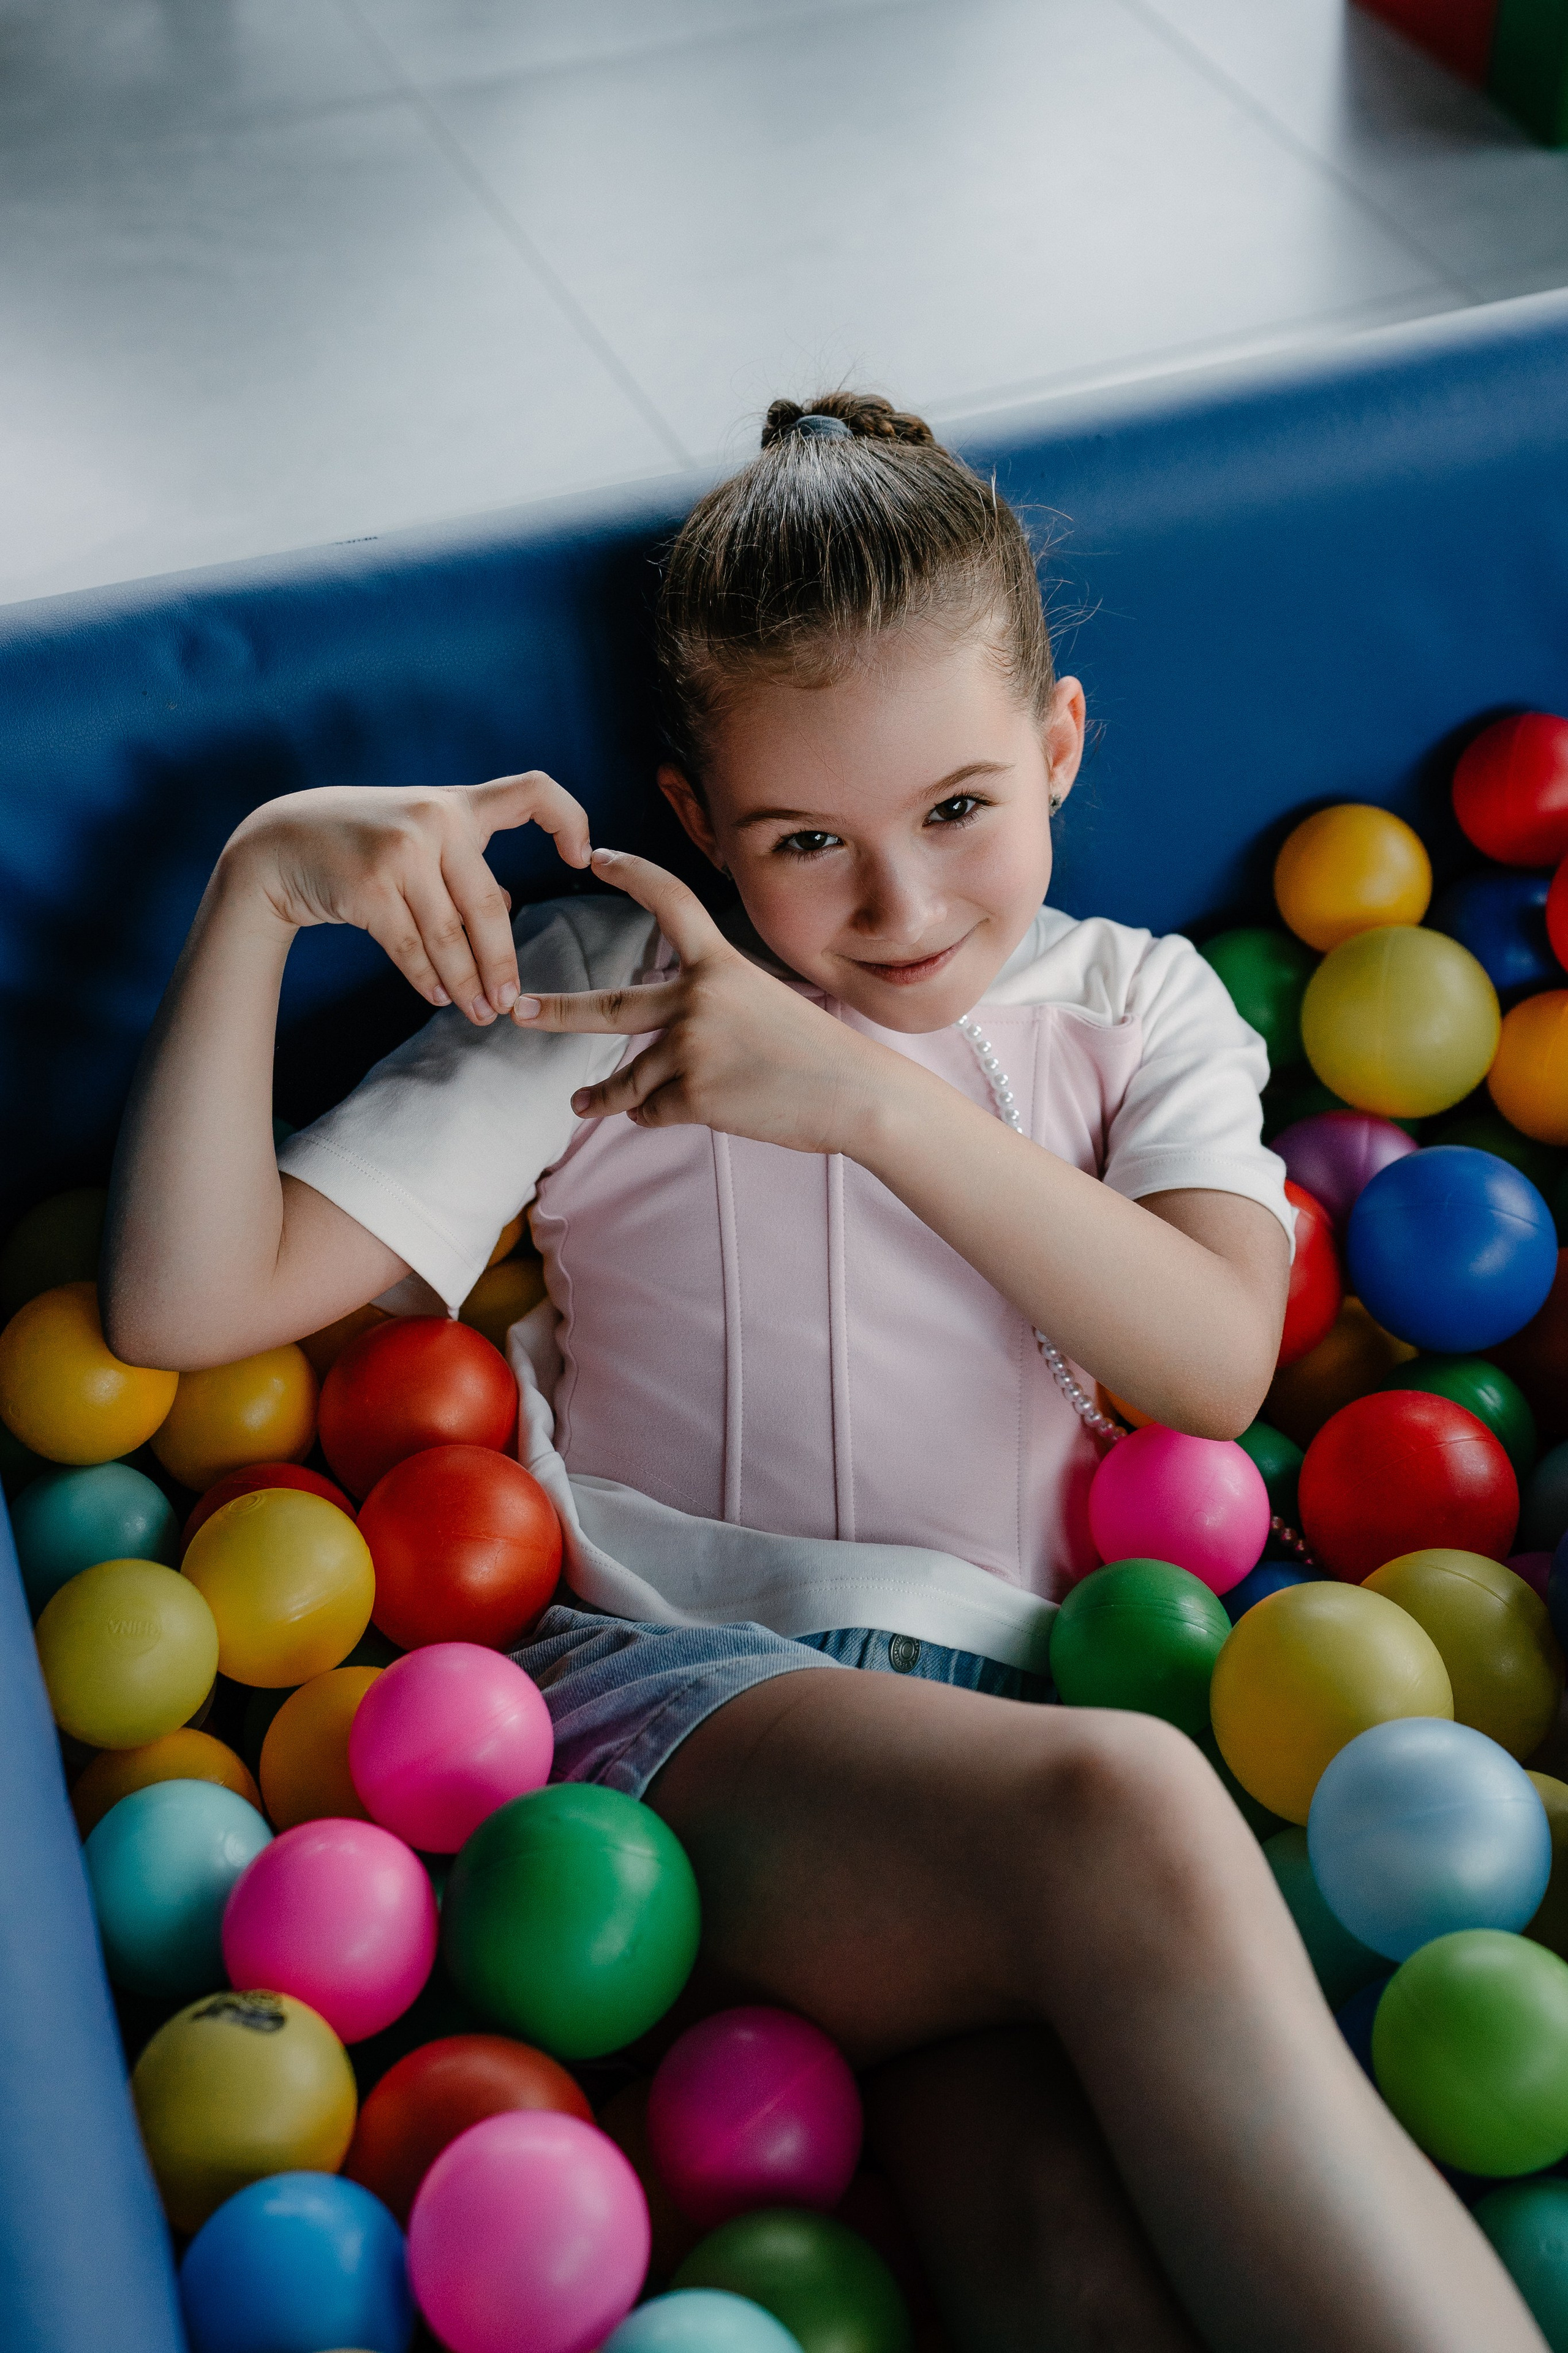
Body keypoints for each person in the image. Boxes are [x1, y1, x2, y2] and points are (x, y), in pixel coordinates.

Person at [103, 395, 1544, 2353]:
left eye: (960, 808)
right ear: (697, 825)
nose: (899, 908)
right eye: (807, 843)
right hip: (682, 1723)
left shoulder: (1141, 1002)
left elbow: (1212, 1359)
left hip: (1011, 1756)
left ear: (1060, 745)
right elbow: (183, 1305)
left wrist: (857, 1096)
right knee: (1123, 1815)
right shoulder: (602, 981)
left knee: (1066, 2256)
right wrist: (263, 883)